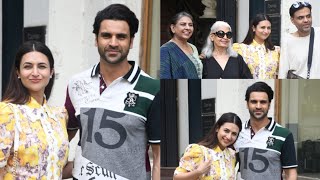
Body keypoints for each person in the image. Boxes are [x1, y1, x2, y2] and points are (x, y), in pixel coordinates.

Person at [64, 4, 160, 180]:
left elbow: (159, 156)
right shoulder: (76, 83)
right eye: (106, 35)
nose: (113, 43)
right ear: (96, 39)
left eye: (121, 37)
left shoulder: (152, 89)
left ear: (131, 41)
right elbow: (62, 138)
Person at [0, 41, 69, 179]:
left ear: (51, 72)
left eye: (42, 66)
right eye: (28, 66)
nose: (35, 72)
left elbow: (57, 167)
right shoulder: (7, 112)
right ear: (18, 72)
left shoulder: (59, 115)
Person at [234, 82, 297, 180]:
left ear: (269, 104)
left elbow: (291, 174)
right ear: (247, 104)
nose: (258, 106)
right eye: (254, 101)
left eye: (263, 102)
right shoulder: (238, 132)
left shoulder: (284, 134)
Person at [173, 112, 242, 180]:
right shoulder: (198, 151)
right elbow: (176, 178)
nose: (229, 137)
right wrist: (198, 172)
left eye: (234, 134)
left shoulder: (231, 155)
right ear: (217, 128)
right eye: (226, 131)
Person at [279, 1, 320, 79]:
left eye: (308, 16)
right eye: (300, 18)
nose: (306, 20)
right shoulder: (288, 41)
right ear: (292, 20)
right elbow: (283, 71)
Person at [233, 14, 280, 79]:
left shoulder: (276, 51)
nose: (266, 31)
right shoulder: (240, 49)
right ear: (253, 28)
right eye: (262, 27)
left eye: (268, 28)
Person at [160, 11, 203, 79]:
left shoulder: (193, 47)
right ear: (173, 28)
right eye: (183, 24)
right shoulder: (165, 50)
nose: (188, 28)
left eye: (190, 25)